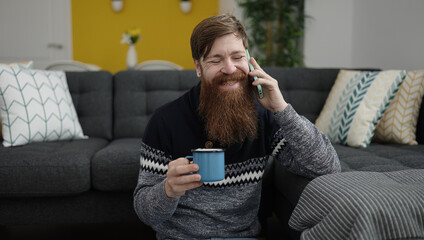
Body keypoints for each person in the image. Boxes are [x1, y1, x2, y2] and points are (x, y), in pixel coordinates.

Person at [133, 14, 341, 240]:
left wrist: (281, 108)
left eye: (237, 56)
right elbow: (146, 213)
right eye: (215, 60)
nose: (230, 68)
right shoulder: (165, 121)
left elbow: (327, 166)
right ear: (198, 67)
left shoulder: (264, 117)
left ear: (250, 59)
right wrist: (168, 190)